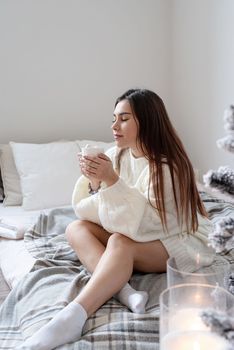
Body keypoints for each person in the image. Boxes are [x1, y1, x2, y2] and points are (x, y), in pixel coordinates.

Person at [17, 88, 213, 350]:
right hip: (138, 234)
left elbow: (150, 225)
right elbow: (93, 212)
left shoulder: (166, 168)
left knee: (120, 242)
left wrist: (111, 181)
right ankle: (124, 291)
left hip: (178, 239)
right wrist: (97, 184)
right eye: (114, 118)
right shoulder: (118, 156)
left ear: (147, 121)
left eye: (124, 118)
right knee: (76, 228)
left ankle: (72, 316)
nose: (114, 126)